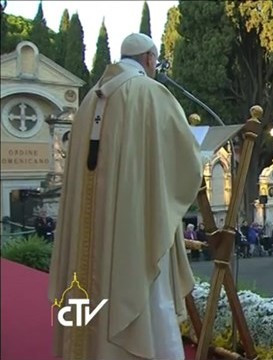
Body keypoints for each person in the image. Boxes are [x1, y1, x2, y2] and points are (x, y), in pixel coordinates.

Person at [48, 33, 202, 360]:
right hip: (131, 228)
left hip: (89, 230)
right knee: (144, 293)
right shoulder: (149, 92)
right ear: (149, 58)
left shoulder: (90, 99)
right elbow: (183, 158)